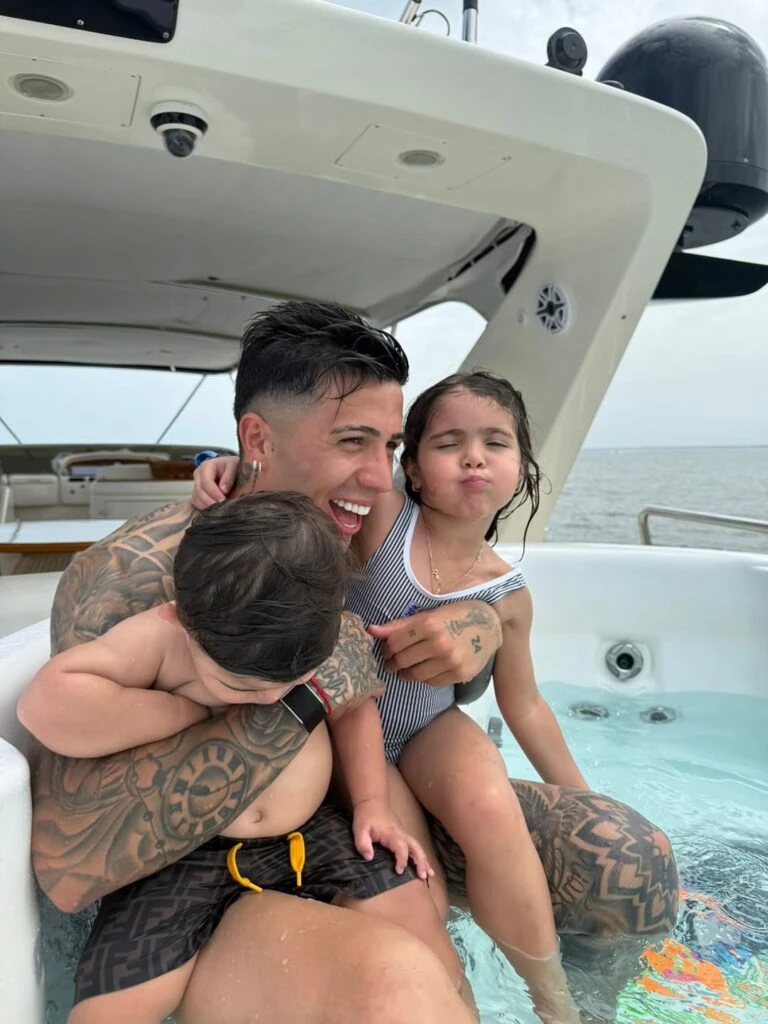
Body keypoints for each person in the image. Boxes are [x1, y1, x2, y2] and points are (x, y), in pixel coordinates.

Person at [30, 301, 679, 1024]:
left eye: (391, 447)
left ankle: (566, 1006)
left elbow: (437, 607)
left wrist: (484, 625)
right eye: (352, 442)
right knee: (403, 993)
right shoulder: (140, 577)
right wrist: (303, 698)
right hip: (216, 867)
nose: (377, 478)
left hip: (362, 804)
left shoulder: (348, 532)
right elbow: (73, 851)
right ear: (256, 439)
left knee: (629, 863)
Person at [192, 371, 586, 1024]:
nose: (474, 458)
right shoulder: (385, 521)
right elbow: (306, 486)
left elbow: (526, 707)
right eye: (449, 443)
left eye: (496, 442)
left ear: (522, 467)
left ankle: (554, 999)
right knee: (419, 876)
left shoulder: (508, 594)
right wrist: (237, 468)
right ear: (414, 470)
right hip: (355, 726)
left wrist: (582, 796)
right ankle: (452, 989)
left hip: (430, 727)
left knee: (493, 809)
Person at [20, 491, 470, 1023]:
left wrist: (373, 805)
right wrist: (179, 711)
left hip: (309, 833)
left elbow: (353, 709)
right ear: (179, 617)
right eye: (239, 686)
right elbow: (44, 704)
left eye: (289, 684)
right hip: (183, 858)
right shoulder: (161, 637)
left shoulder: (314, 633)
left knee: (424, 929)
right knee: (105, 1013)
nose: (266, 699)